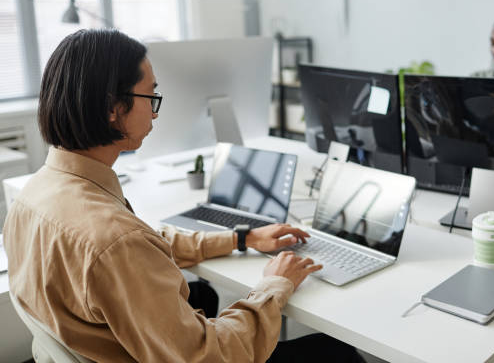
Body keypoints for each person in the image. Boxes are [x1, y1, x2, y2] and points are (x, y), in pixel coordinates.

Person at [3, 29, 363, 362]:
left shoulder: (33, 196)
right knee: (335, 351)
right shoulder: (116, 241)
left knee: (202, 296)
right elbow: (209, 355)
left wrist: (242, 238)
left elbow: (142, 250)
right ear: (114, 109)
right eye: (151, 95)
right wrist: (273, 285)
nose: (155, 112)